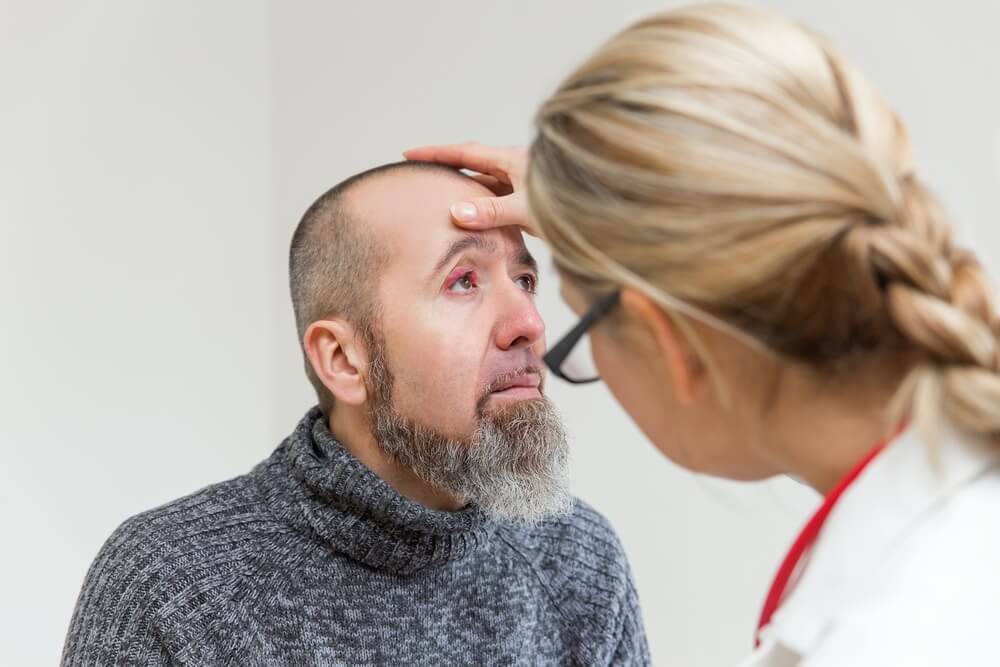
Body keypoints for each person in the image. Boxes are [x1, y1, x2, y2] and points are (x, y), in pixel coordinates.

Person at [406, 3, 1000, 664]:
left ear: (671, 344)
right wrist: (607, 201)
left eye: (578, 318)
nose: (529, 330)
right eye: (465, 283)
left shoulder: (891, 635)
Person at [61, 161, 649, 666]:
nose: (530, 324)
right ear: (343, 358)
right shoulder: (170, 583)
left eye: (524, 280)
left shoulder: (579, 559)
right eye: (464, 280)